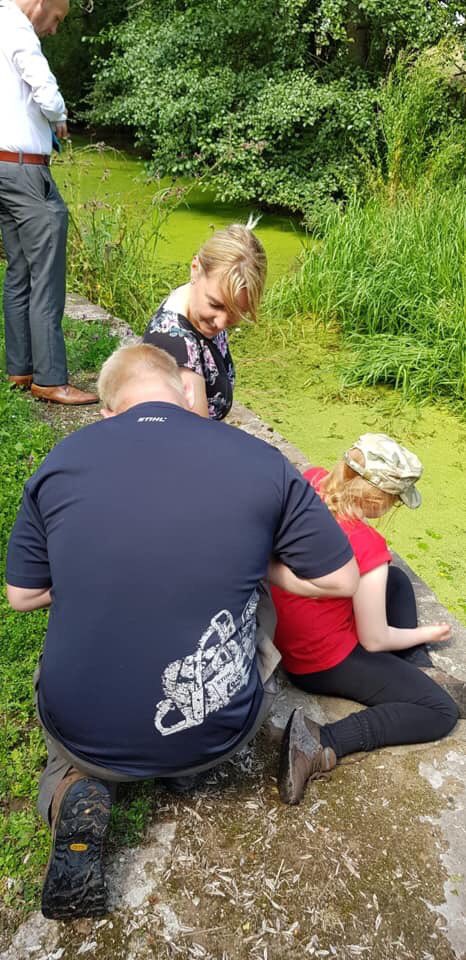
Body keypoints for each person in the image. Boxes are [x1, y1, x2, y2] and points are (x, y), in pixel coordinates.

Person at [6, 343, 359, 920]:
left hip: (84, 729)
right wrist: (253, 561)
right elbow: (342, 579)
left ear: (106, 409)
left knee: (69, 717)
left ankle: (71, 787)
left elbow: (22, 596)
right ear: (184, 390)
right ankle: (188, 770)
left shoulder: (64, 458)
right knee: (260, 600)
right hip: (210, 731)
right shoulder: (260, 459)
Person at [271, 433, 461, 806]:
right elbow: (374, 641)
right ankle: (321, 740)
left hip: (288, 629)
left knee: (397, 581)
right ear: (378, 498)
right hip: (320, 661)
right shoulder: (368, 544)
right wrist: (426, 633)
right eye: (394, 502)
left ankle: (418, 670)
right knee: (441, 711)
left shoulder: (310, 480)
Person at [0, 0, 97, 404]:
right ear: (40, 3)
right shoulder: (18, 27)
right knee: (47, 271)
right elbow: (41, 83)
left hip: (2, 166)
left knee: (19, 269)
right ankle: (51, 379)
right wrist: (58, 114)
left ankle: (20, 370)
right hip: (24, 169)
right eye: (56, 19)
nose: (55, 30)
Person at [143, 220, 267, 420]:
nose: (221, 322)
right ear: (195, 269)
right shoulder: (177, 346)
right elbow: (197, 438)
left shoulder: (190, 300)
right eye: (215, 305)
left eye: (237, 310)